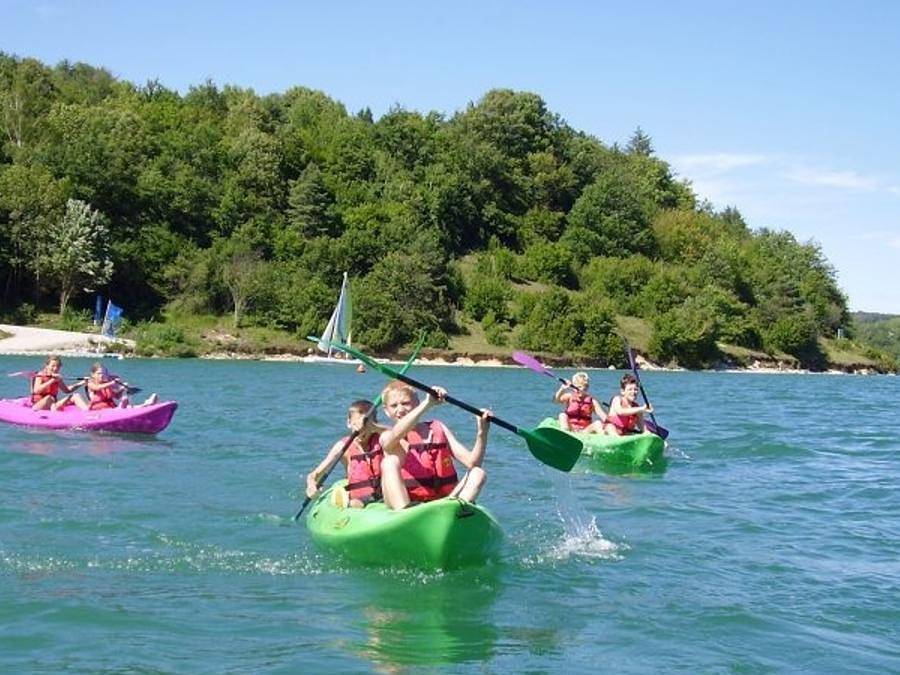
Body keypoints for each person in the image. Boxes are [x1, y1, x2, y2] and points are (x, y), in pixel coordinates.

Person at [377, 380, 490, 511]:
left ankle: (457, 512)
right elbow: (395, 436)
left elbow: (473, 463)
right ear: (386, 411)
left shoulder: (437, 427)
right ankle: (404, 513)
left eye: (406, 403)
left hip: (445, 500)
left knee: (478, 472)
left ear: (416, 403)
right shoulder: (387, 436)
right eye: (394, 406)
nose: (400, 409)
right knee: (389, 462)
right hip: (409, 505)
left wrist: (483, 431)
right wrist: (428, 403)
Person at [305, 400, 387, 509]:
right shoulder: (342, 446)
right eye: (356, 424)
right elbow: (314, 475)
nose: (361, 429)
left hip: (384, 494)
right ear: (348, 423)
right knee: (355, 504)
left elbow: (399, 433)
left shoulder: (384, 439)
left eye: (366, 425)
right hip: (358, 501)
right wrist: (311, 485)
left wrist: (375, 427)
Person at [85, 363, 159, 410]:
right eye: (99, 373)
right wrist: (112, 382)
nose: (102, 375)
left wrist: (122, 389)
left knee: (128, 407)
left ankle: (147, 404)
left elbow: (117, 396)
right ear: (93, 374)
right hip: (97, 409)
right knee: (123, 404)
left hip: (111, 407)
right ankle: (123, 405)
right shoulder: (90, 383)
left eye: (104, 373)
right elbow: (98, 388)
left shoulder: (107, 384)